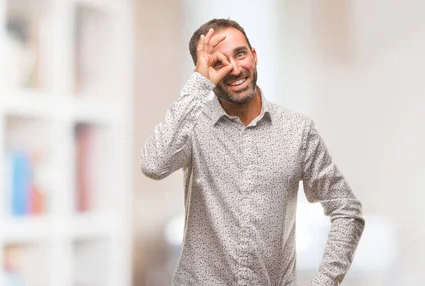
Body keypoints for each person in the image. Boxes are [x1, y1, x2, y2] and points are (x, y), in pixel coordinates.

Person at [141, 18, 365, 286]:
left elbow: (346, 208)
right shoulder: (192, 127)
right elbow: (153, 164)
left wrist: (325, 281)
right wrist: (198, 84)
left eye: (240, 54)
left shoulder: (297, 130)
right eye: (218, 63)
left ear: (254, 55)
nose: (235, 69)